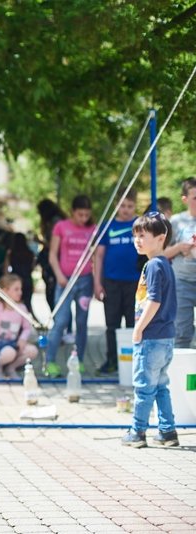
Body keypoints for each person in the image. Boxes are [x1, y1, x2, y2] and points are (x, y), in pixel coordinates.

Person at [122, 212, 179, 448]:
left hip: (152, 337)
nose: (137, 240)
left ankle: (138, 432)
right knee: (160, 386)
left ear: (160, 237)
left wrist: (138, 328)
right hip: (165, 338)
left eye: (143, 235)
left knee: (144, 386)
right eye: (136, 235)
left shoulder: (154, 265)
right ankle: (167, 432)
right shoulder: (163, 264)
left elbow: (153, 301)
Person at [45, 194, 96, 377]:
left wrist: (96, 282)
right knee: (61, 321)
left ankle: (79, 361)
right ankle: (49, 361)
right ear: (72, 212)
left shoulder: (92, 229)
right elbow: (52, 255)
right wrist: (59, 275)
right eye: (80, 214)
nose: (83, 219)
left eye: (87, 215)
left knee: (82, 322)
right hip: (65, 280)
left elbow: (96, 256)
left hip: (85, 281)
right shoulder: (61, 227)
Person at [93, 189, 140, 375]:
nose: (126, 210)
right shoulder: (108, 226)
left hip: (135, 282)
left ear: (135, 206)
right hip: (111, 282)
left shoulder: (139, 225)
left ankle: (134, 361)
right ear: (116, 205)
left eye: (130, 206)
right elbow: (99, 255)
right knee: (111, 324)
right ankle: (112, 360)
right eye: (122, 206)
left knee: (133, 323)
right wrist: (97, 283)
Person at [0, 274, 39, 379]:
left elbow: (27, 328)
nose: (20, 292)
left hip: (14, 343)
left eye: (20, 289)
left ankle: (11, 368)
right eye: (16, 289)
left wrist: (22, 339)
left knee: (32, 350)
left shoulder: (22, 308)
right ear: (4, 291)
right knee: (9, 353)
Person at [163, 177, 196, 349]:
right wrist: (179, 247)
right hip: (182, 282)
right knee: (182, 331)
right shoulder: (176, 221)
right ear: (185, 199)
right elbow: (161, 252)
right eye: (195, 198)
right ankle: (180, 372)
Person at [37, 199, 68, 313]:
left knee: (54, 294)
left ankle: (61, 323)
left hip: (55, 261)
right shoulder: (58, 220)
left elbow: (55, 245)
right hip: (56, 261)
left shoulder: (55, 222)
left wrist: (41, 242)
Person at [4, 232, 37, 316]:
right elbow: (32, 267)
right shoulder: (30, 253)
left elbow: (6, 269)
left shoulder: (11, 253)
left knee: (16, 304)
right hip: (27, 280)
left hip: (16, 281)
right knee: (27, 303)